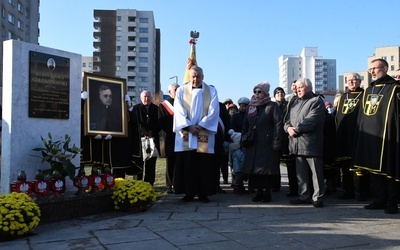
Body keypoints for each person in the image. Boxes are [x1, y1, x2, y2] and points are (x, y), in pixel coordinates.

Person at [352, 59, 400, 214]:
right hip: (371, 136)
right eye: (370, 69)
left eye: (375, 68)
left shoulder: (395, 88)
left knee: (389, 169)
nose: (372, 71)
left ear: (385, 69)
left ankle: (392, 202)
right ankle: (379, 199)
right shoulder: (369, 90)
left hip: (388, 136)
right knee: (373, 169)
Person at [173, 66, 220, 203]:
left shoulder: (211, 91)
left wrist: (200, 126)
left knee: (203, 166)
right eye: (193, 76)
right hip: (187, 133)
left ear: (203, 77)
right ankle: (188, 193)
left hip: (203, 132)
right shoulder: (181, 90)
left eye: (198, 76)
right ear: (189, 76)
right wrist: (189, 126)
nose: (195, 79)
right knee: (188, 164)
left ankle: (203, 193)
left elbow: (213, 111)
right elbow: (179, 110)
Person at [284, 78, 326, 208]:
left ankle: (318, 197)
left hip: (310, 144)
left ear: (308, 87)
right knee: (300, 174)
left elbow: (312, 120)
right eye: (296, 88)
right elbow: (286, 121)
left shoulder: (316, 101)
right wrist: (288, 128)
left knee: (316, 173)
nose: (298, 90)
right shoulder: (294, 103)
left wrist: (296, 129)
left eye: (300, 87)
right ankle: (304, 196)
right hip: (296, 144)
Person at [242, 82, 283, 203]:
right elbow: (245, 125)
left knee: (266, 170)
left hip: (267, 143)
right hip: (253, 142)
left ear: (265, 93)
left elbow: (278, 124)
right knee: (255, 169)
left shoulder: (272, 105)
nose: (257, 94)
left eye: (259, 92)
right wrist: (244, 138)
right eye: (255, 92)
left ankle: (267, 193)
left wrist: (276, 141)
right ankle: (258, 192)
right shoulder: (251, 106)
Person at [335, 73, 370, 201]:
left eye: (354, 80)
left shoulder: (365, 95)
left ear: (359, 81)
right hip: (344, 137)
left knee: (360, 167)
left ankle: (363, 192)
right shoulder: (343, 97)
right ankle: (348, 191)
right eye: (349, 80)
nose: (351, 82)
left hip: (358, 135)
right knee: (345, 166)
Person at [130, 90, 160, 186]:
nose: (146, 98)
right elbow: (135, 123)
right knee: (139, 164)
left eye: (148, 96)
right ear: (141, 98)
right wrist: (144, 132)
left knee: (151, 165)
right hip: (139, 140)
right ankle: (137, 184)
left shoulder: (157, 109)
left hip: (153, 140)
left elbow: (160, 122)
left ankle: (149, 184)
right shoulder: (136, 109)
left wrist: (152, 132)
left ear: (151, 98)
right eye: (144, 97)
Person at [273, 87, 298, 196]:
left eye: (281, 92)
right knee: (274, 163)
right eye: (277, 93)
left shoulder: (288, 104)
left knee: (290, 164)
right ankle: (275, 185)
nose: (279, 94)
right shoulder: (272, 106)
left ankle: (293, 188)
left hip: (286, 138)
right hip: (275, 138)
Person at [158, 83, 179, 193]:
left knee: (180, 162)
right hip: (170, 137)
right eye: (175, 89)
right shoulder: (163, 105)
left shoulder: (183, 103)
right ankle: (169, 185)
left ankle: (178, 185)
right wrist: (173, 129)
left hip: (182, 137)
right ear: (170, 92)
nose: (177, 90)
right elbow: (162, 121)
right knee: (170, 161)